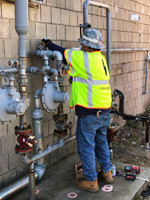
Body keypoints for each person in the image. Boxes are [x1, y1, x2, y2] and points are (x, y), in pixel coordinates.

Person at [41, 27, 113, 193]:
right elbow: (82, 74)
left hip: (89, 112)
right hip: (104, 111)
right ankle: (107, 173)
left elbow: (62, 52)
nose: (81, 47)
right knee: (101, 141)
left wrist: (49, 43)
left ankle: (91, 180)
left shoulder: (81, 57)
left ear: (87, 46)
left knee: (85, 146)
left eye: (82, 45)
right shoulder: (100, 59)